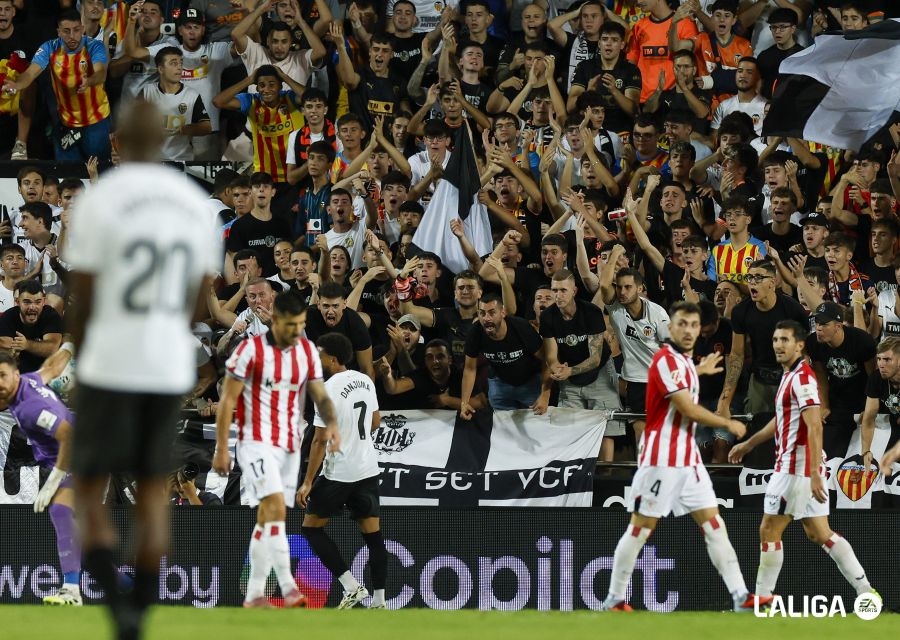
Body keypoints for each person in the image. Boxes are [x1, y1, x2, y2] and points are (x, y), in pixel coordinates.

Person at [65, 101, 220, 640]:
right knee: (154, 489)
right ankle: (145, 601)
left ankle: (116, 603)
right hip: (167, 363)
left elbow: (81, 296)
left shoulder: (100, 199)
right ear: (166, 141)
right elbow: (200, 302)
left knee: (89, 486)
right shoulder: (196, 204)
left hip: (110, 359)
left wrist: (84, 359)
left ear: (115, 143)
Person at [600, 301, 764, 612]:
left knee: (715, 525)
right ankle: (614, 598)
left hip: (688, 461)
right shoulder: (663, 359)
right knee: (640, 529)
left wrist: (698, 369)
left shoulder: (684, 361)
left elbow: (684, 377)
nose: (689, 330)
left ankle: (741, 596)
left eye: (693, 325)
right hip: (661, 459)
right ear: (670, 328)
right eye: (682, 324)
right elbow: (687, 408)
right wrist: (726, 422)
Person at [729, 320, 874, 600]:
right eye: (775, 340)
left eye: (785, 340)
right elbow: (783, 420)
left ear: (800, 345)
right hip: (803, 467)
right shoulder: (790, 375)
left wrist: (814, 473)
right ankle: (865, 590)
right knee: (819, 533)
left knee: (769, 529)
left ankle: (762, 600)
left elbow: (815, 424)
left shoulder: (803, 378)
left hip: (796, 468)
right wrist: (749, 442)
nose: (778, 345)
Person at [213, 291, 341, 608]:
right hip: (255, 442)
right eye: (291, 325)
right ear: (275, 319)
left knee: (268, 518)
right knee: (275, 508)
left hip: (289, 444)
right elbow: (228, 400)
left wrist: (333, 424)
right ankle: (288, 587)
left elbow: (321, 396)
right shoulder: (249, 351)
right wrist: (221, 448)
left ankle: (255, 594)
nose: (296, 331)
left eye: (301, 325)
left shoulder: (307, 352)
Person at [298, 332, 387, 610]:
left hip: (339, 473)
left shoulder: (326, 390)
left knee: (312, 529)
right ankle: (380, 602)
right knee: (373, 536)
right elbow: (375, 422)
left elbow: (319, 440)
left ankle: (351, 586)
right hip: (367, 468)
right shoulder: (365, 380)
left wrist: (308, 481)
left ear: (332, 359)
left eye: (320, 355)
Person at [0, 347, 76, 604]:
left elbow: (68, 436)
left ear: (15, 374)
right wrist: (69, 347)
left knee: (60, 512)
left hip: (76, 455)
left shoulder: (29, 408)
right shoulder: (30, 381)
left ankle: (72, 592)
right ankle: (123, 584)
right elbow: (53, 368)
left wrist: (54, 479)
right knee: (83, 537)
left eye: (2, 375)